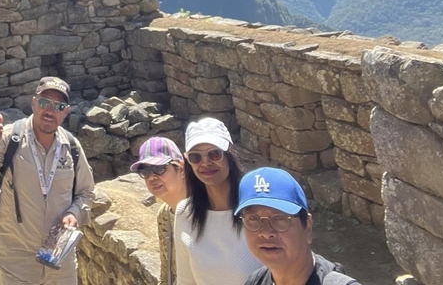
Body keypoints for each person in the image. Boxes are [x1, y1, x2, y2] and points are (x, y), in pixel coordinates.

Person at [0, 76, 96, 285]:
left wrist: (75, 212)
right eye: (44, 102)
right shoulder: (9, 139)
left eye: (58, 106)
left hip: (59, 260)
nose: (49, 111)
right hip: (17, 260)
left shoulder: (71, 146)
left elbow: (86, 192)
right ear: (34, 103)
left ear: (66, 111)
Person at [174, 118, 260, 285]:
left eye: (214, 154)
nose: (205, 163)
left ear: (229, 155)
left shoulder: (258, 208)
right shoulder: (185, 213)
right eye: (196, 157)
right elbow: (185, 280)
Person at [236, 169, 359, 285]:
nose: (266, 232)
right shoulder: (256, 281)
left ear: (308, 226)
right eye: (253, 218)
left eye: (279, 218)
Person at [131, 137, 186, 285]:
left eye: (159, 168)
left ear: (181, 169)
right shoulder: (165, 215)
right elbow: (167, 271)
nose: (152, 177)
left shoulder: (203, 211)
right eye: (145, 170)